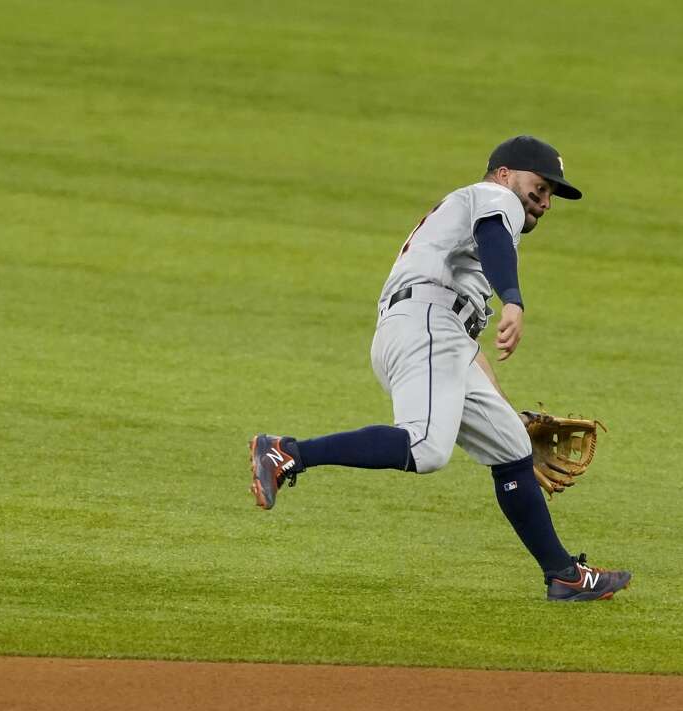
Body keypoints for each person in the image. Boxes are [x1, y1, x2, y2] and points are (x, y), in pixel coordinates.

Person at [248, 135, 631, 602]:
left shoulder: (468, 215)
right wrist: (512, 300)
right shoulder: (495, 198)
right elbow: (495, 243)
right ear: (506, 173)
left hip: (434, 329)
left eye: (553, 194)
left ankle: (564, 575)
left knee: (511, 447)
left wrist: (510, 414)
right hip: (426, 322)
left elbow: (464, 348)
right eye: (541, 186)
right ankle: (286, 452)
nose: (545, 201)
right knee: (426, 448)